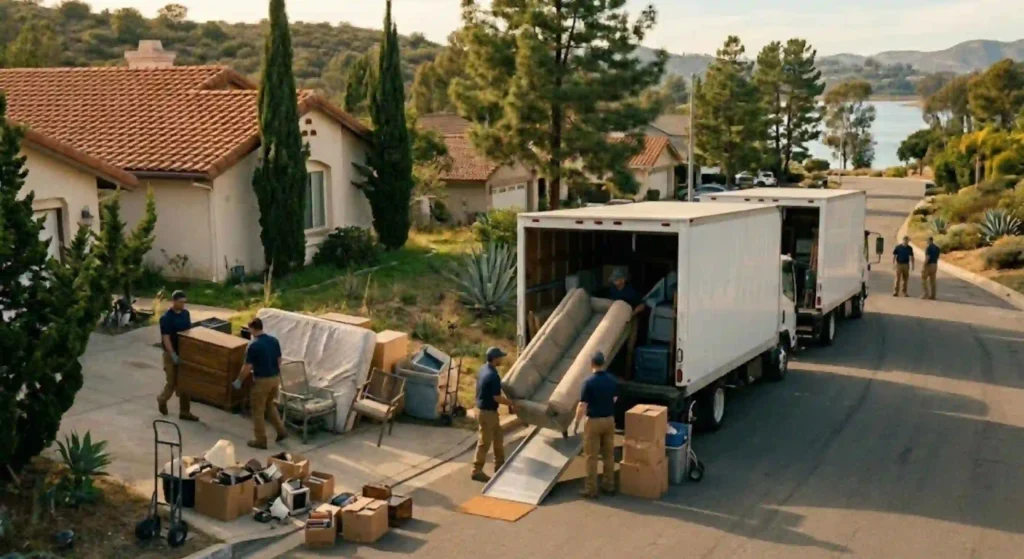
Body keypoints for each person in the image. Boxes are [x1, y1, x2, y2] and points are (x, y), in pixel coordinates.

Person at [233, 318, 288, 449]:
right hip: (275, 378)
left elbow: (247, 367)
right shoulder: (274, 341)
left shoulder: (253, 345)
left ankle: (260, 440)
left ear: (251, 329)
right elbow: (279, 360)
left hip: (262, 380)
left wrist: (239, 380)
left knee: (257, 410)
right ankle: (281, 431)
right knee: (270, 405)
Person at [573, 351, 618, 499]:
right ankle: (609, 485)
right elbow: (615, 399)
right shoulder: (612, 380)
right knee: (608, 455)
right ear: (603, 363)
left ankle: (591, 489)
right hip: (609, 420)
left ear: (591, 364)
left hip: (594, 422)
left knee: (591, 456)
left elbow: (582, 406)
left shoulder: (588, 382)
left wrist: (576, 423)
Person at [472, 347, 515, 482]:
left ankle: (500, 465)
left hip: (482, 409)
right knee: (485, 442)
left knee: (498, 437)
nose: (502, 359)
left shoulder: (483, 369)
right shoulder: (493, 376)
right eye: (500, 357)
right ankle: (476, 470)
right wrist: (511, 403)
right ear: (495, 359)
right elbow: (497, 398)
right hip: (487, 412)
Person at [157, 290, 199, 421]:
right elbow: (166, 338)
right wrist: (173, 354)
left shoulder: (186, 314)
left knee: (185, 382)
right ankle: (162, 399)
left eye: (184, 302)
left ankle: (185, 412)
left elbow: (188, 331)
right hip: (171, 354)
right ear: (174, 301)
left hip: (184, 352)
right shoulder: (166, 318)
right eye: (180, 302)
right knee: (172, 382)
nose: (182, 305)